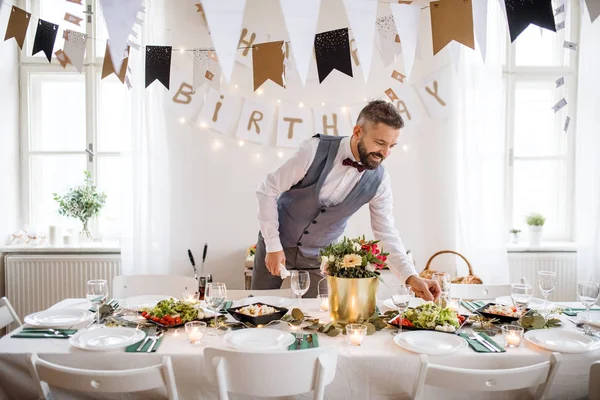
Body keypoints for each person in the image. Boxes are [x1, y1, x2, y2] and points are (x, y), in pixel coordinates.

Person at [252, 100, 441, 300]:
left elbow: (386, 233)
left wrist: (411, 277)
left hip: (320, 258)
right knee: (259, 307)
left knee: (318, 318)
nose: (385, 154)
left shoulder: (380, 181)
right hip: (276, 244)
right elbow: (267, 189)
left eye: (391, 146)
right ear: (358, 132)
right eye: (380, 143)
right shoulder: (313, 149)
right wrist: (273, 246)